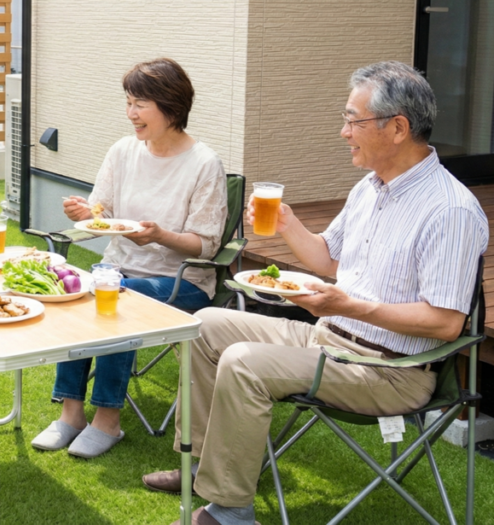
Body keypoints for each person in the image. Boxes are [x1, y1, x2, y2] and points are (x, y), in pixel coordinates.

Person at [143, 61, 488, 525]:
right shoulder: (371, 187)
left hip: (389, 371)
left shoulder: (450, 210)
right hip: (329, 339)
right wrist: (288, 225)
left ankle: (229, 511)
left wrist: (347, 305)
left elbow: (446, 323)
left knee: (245, 361)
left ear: (398, 128)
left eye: (352, 120)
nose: (344, 132)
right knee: (205, 324)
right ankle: (211, 467)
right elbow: (329, 261)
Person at [31, 58, 227, 459]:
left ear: (171, 107)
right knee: (83, 293)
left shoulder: (204, 163)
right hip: (118, 268)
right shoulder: (123, 151)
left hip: (181, 281)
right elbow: (101, 212)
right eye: (128, 102)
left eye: (140, 104)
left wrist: (159, 236)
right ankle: (71, 415)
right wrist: (86, 214)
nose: (130, 114)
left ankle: (108, 420)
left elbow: (204, 246)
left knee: (114, 299)